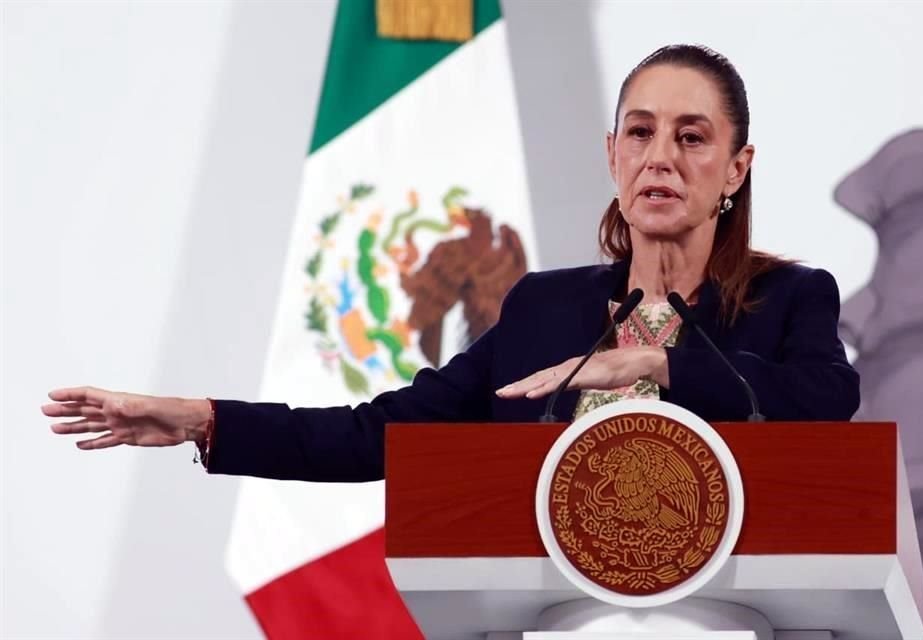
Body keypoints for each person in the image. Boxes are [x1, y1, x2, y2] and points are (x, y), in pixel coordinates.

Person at [42, 44, 860, 484]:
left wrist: (660, 364)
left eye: (691, 138)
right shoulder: (545, 311)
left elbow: (826, 399)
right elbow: (378, 436)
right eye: (640, 133)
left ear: (737, 167)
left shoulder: (790, 298)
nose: (661, 159)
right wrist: (206, 419)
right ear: (611, 154)